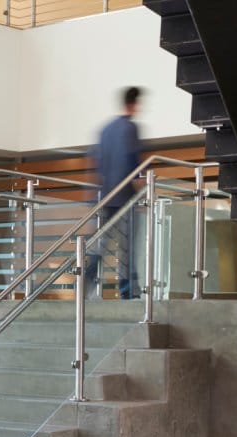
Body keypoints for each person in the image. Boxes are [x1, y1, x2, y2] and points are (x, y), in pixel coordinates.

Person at [87, 86, 144, 300]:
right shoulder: (130, 128)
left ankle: (88, 283)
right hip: (125, 197)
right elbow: (132, 160)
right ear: (134, 104)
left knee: (102, 245)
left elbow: (98, 162)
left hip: (106, 196)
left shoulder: (106, 129)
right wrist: (140, 182)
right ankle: (128, 291)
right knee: (128, 247)